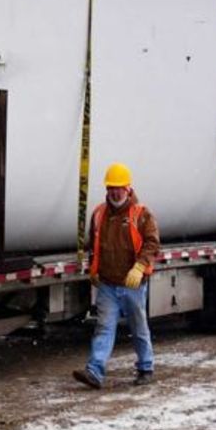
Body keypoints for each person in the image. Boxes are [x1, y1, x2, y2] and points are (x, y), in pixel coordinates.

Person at [72, 162, 160, 389]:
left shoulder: (141, 214)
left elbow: (152, 243)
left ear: (128, 188)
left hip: (133, 284)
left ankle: (145, 367)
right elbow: (96, 245)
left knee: (139, 327)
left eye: (119, 187)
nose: (114, 192)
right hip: (108, 284)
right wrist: (93, 268)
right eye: (111, 187)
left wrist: (139, 267)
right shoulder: (99, 213)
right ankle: (95, 371)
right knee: (104, 327)